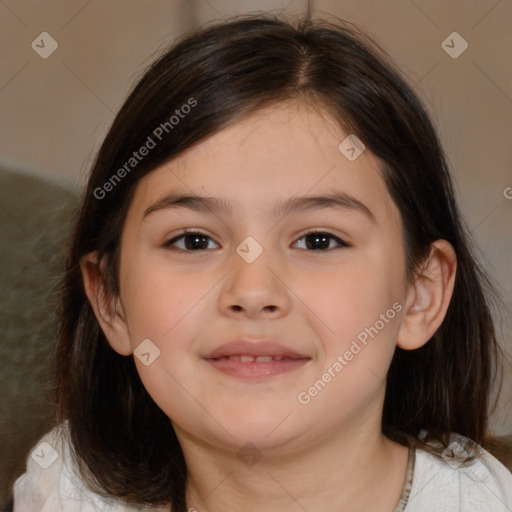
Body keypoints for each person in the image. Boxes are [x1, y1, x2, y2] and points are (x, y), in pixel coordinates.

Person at [13, 12, 512, 512]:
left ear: (418, 296)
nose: (252, 292)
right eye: (193, 241)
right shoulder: (67, 491)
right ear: (111, 301)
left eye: (318, 241)